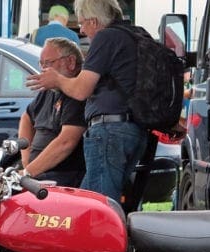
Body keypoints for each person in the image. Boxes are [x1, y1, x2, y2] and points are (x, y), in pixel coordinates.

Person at [27, 0, 146, 201]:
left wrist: (57, 79)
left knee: (97, 204)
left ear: (94, 21)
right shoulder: (136, 34)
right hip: (135, 129)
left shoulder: (105, 37)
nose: (81, 30)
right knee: (87, 202)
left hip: (109, 131)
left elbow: (81, 90)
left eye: (82, 23)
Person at [19, 37, 85, 187]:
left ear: (71, 62)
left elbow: (66, 142)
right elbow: (26, 117)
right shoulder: (49, 90)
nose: (43, 69)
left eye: (48, 63)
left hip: (61, 176)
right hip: (37, 173)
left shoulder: (77, 93)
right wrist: (26, 161)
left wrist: (27, 172)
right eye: (41, 63)